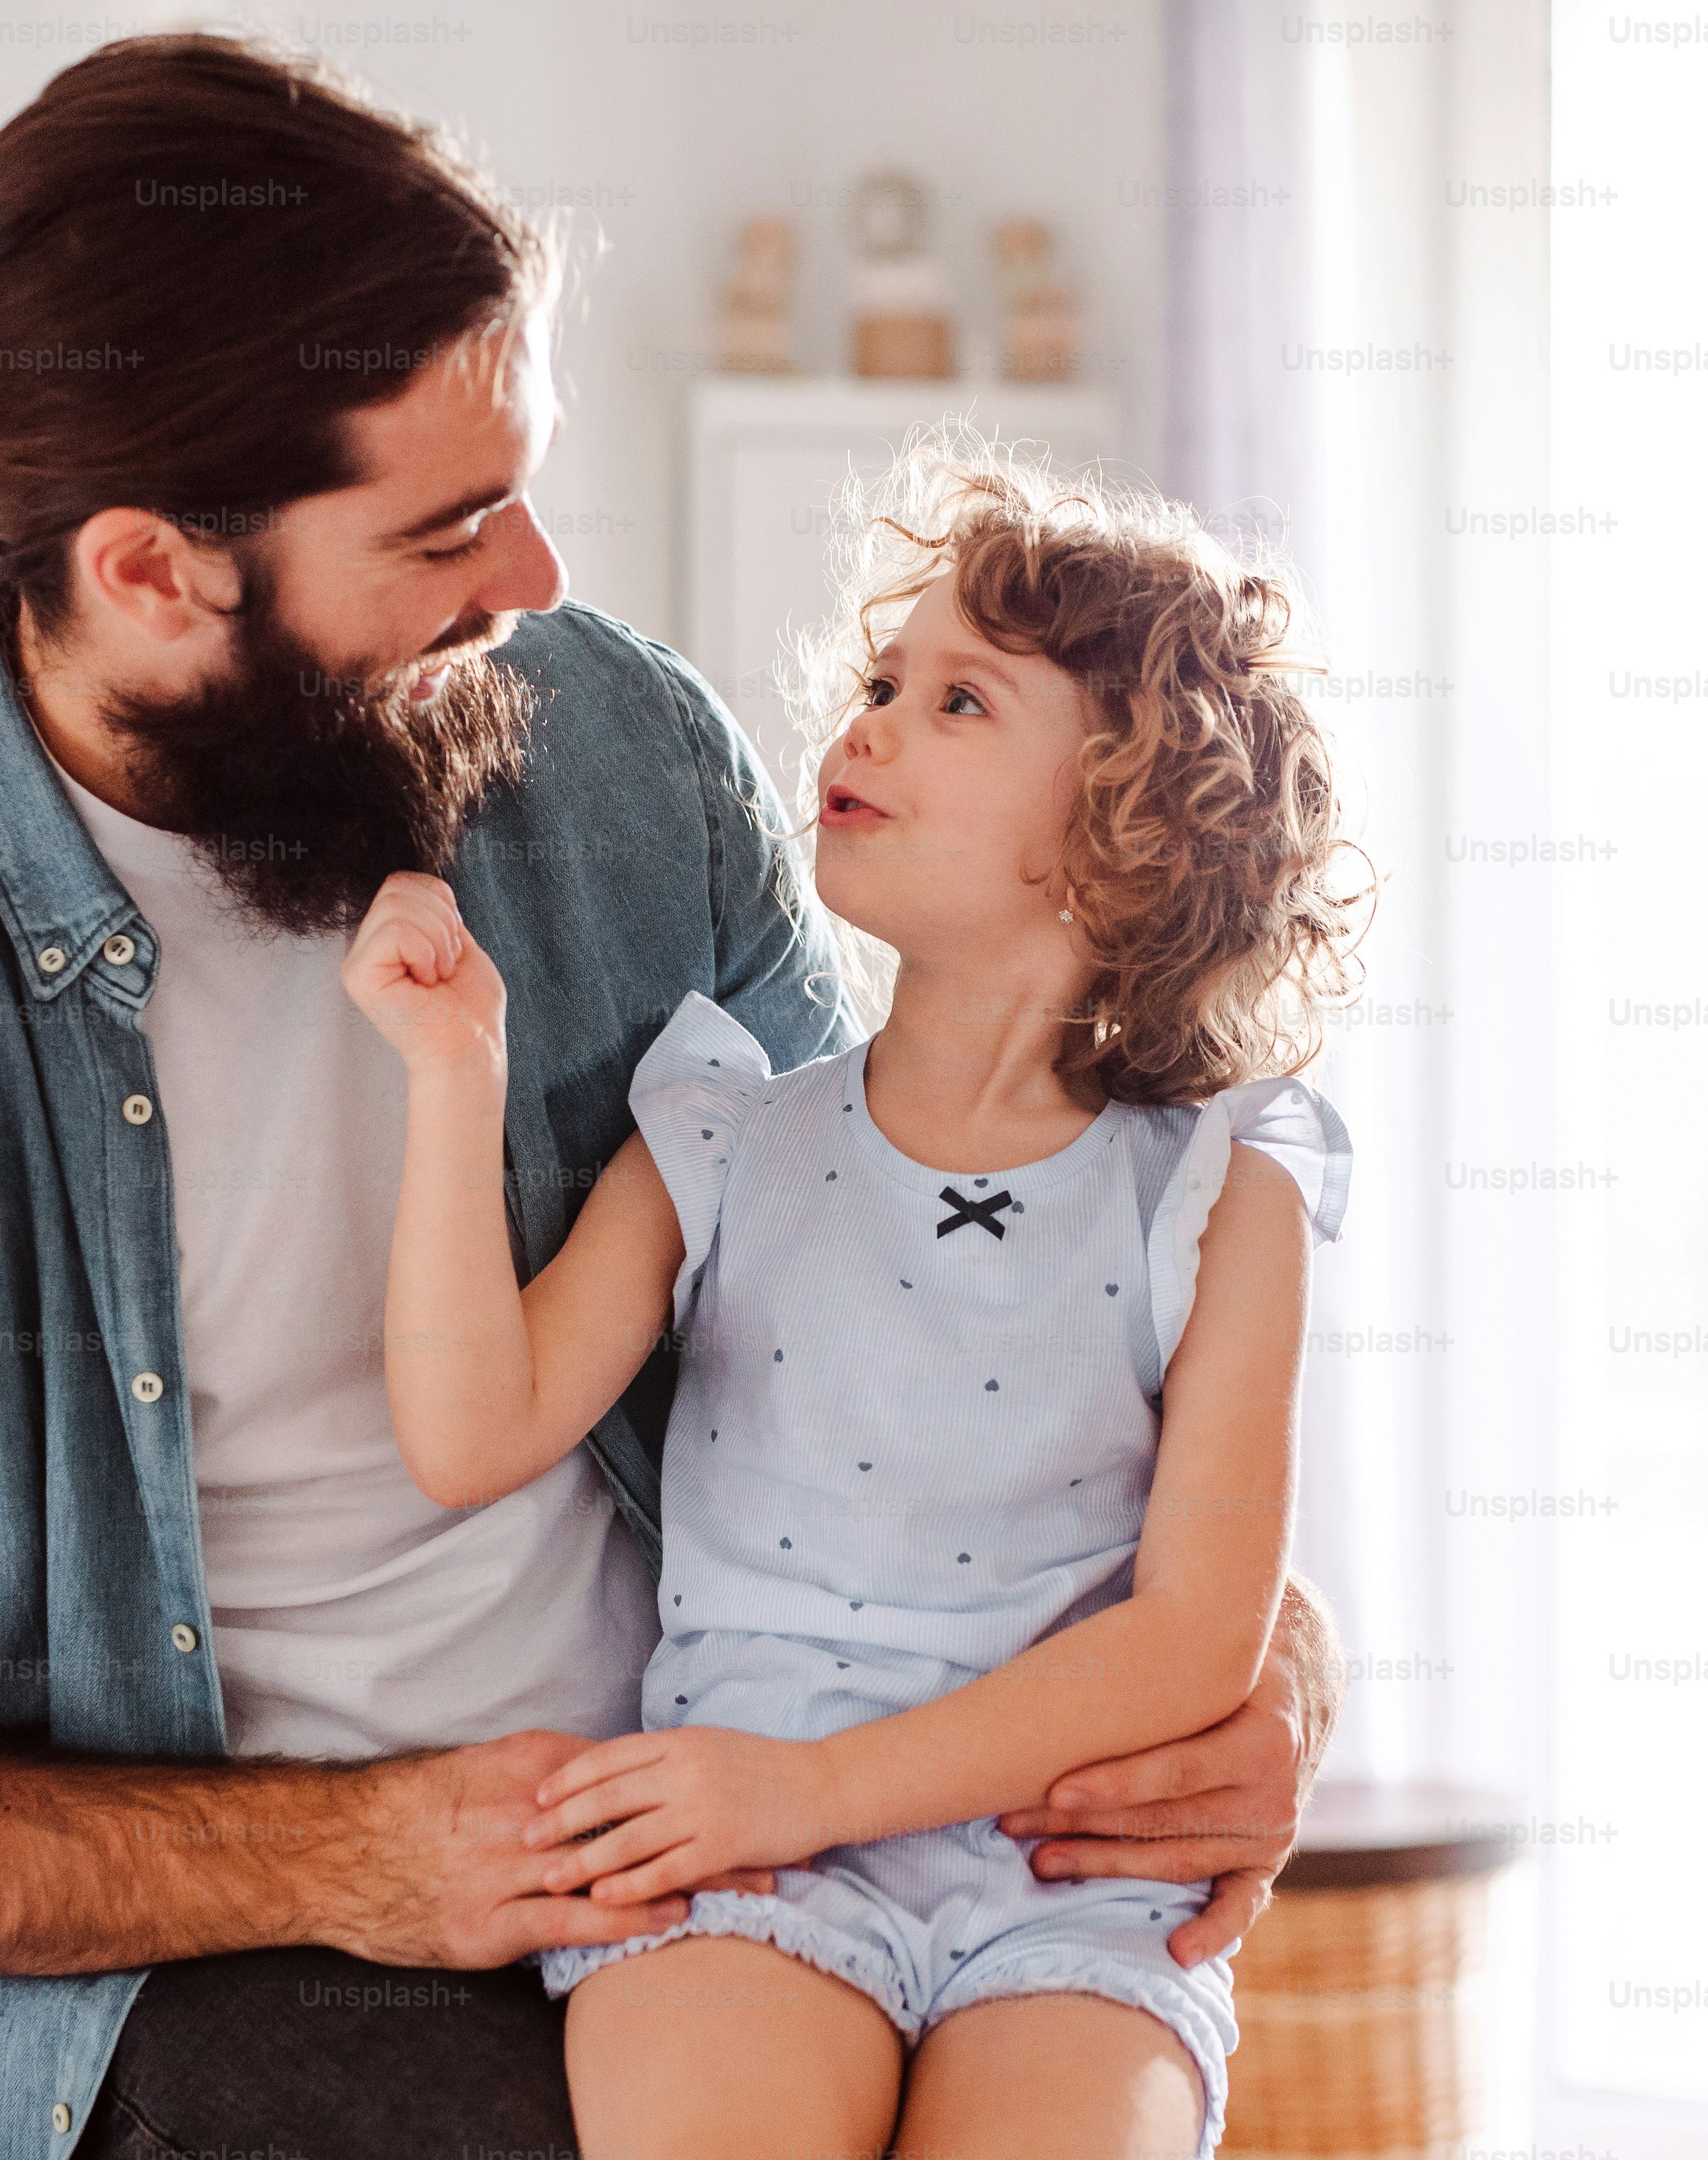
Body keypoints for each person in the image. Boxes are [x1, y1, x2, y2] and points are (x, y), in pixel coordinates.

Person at [0, 31, 1346, 2160]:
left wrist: (1253, 1668)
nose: (540, 586)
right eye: (448, 526)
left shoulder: (613, 758)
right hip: (243, 1959)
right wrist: (352, 1860)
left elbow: (915, 1272)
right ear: (152, 574)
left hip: (768, 1801)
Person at [342, 431, 1365, 2159]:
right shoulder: (719, 1129)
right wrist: (453, 1078)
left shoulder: (1222, 1189)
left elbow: (1197, 1634)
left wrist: (818, 1786)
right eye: (883, 680)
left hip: (1063, 1894)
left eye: (960, 702)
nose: (866, 723)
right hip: (729, 1861)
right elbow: (470, 1430)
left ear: (1124, 829)